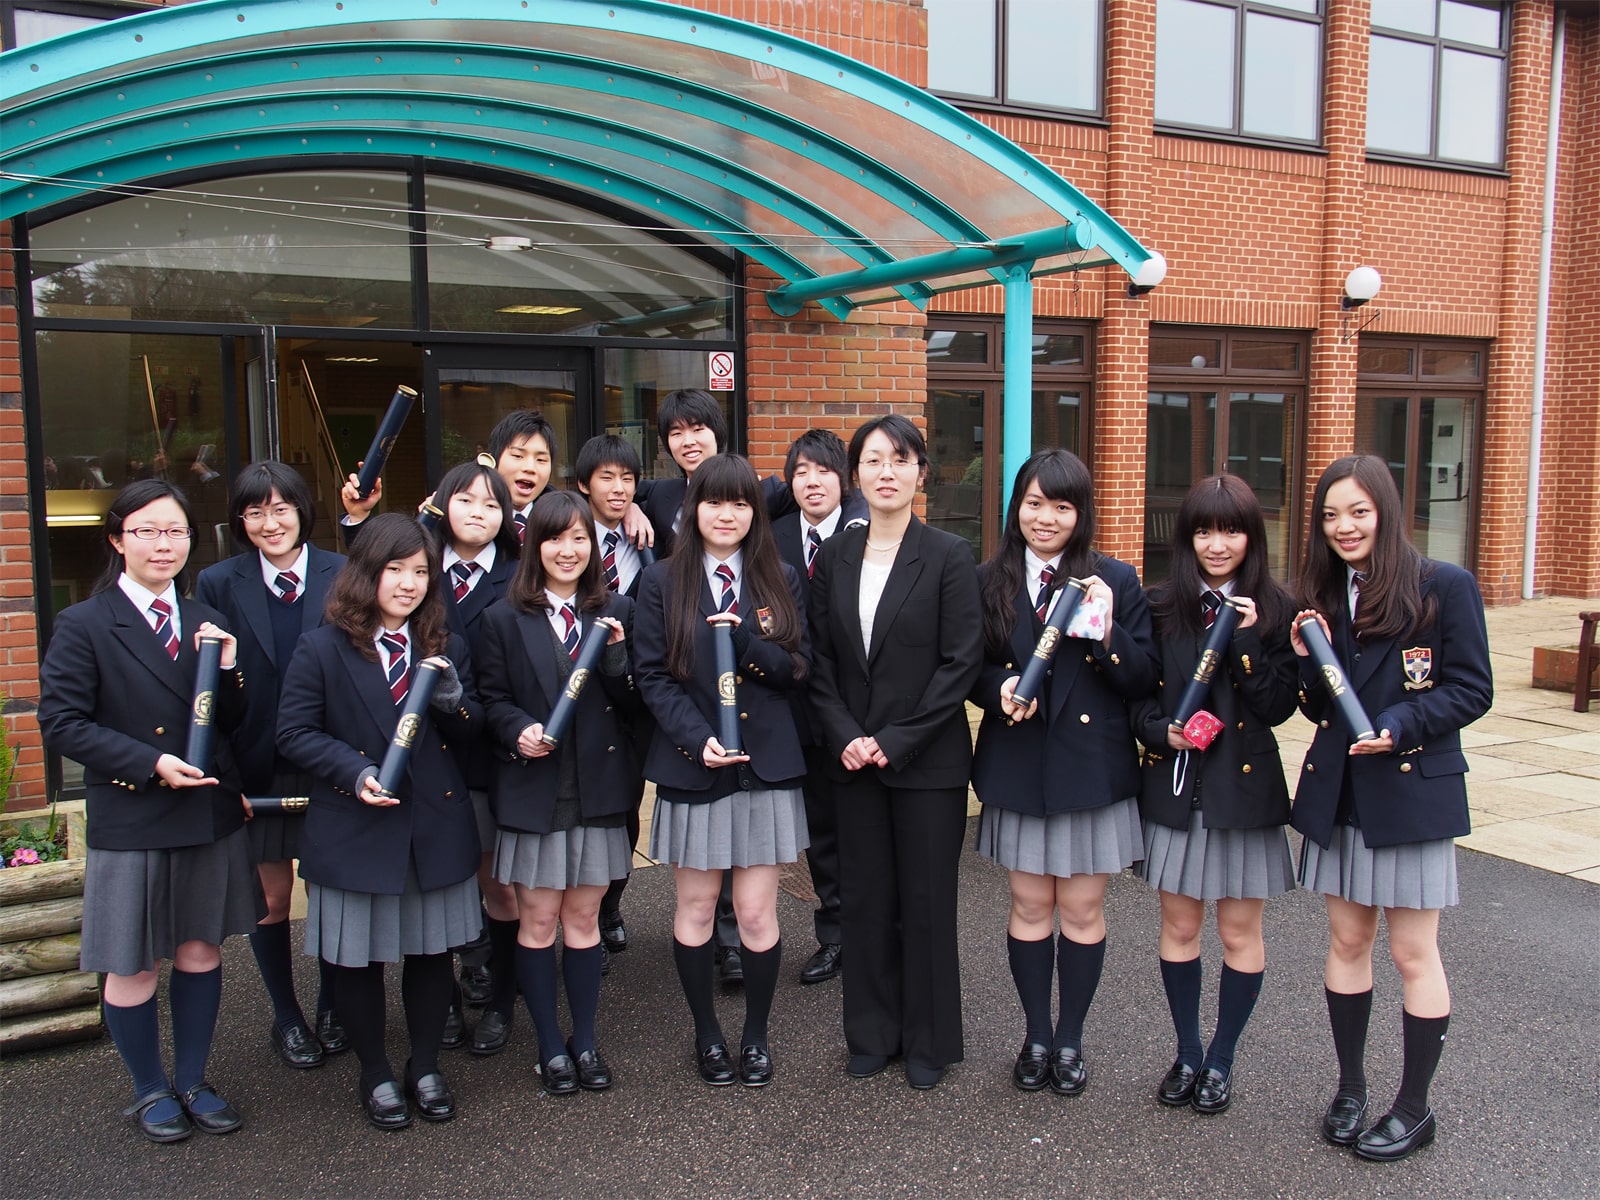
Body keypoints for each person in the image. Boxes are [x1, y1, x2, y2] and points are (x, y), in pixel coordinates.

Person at [38, 479, 262, 1143]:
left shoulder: (204, 619)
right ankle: (149, 1089)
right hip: (133, 812)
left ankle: (192, 1079)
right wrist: (148, 761)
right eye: (147, 531)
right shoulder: (84, 622)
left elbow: (233, 722)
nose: (163, 544)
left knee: (199, 949)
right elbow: (61, 722)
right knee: (133, 963)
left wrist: (230, 669)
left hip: (204, 811)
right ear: (118, 540)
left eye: (176, 531)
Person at [1291, 454, 1492, 1162]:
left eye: (1358, 512)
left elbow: (1471, 689)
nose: (1344, 527)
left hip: (1409, 793)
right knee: (1347, 943)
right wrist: (1306, 658)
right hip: (1342, 790)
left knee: (1412, 953)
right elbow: (1318, 705)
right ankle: (1350, 1089)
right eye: (1330, 515)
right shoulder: (1320, 595)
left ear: (1386, 510)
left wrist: (1401, 724)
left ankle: (1413, 1108)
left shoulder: (1444, 586)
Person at [276, 514, 483, 1131]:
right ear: (365, 572)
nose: (409, 584)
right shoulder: (321, 648)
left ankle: (425, 1066)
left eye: (420, 572)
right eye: (395, 569)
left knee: (431, 954)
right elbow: (293, 733)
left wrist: (454, 703)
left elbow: (472, 731)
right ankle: (374, 1072)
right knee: (356, 961)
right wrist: (355, 769)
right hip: (355, 824)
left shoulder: (443, 645)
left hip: (433, 825)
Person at [968, 448, 1157, 1098]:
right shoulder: (987, 579)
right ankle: (1035, 1035)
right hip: (1020, 763)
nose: (1045, 518)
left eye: (1061, 506)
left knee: (1080, 910)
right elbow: (967, 666)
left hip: (1089, 771)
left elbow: (1143, 677)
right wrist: (997, 688)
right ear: (1016, 508)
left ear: (1082, 514)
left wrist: (1104, 631)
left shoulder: (1116, 579)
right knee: (1028, 905)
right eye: (1034, 503)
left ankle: (1070, 1037)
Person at [807, 414, 984, 1090]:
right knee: (866, 900)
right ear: (856, 474)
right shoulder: (835, 557)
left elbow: (960, 663)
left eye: (901, 459)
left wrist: (895, 740)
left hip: (926, 764)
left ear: (920, 473)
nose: (887, 472)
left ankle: (928, 1041)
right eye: (874, 460)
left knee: (927, 903)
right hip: (852, 760)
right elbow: (819, 659)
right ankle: (872, 1033)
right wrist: (845, 735)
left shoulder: (948, 555)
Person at [633, 454, 811, 1088]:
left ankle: (756, 1037)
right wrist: (697, 740)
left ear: (754, 513)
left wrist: (746, 645)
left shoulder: (780, 577)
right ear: (692, 509)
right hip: (696, 766)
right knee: (698, 905)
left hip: (766, 766)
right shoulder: (660, 582)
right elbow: (651, 676)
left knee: (757, 913)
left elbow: (798, 669)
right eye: (714, 502)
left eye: (740, 503)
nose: (727, 514)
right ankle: (707, 1034)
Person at [1131, 474, 1298, 1114]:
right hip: (1177, 788)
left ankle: (1222, 1060)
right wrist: (1160, 730)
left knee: (1238, 931)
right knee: (1179, 926)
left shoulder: (1277, 608)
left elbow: (1279, 707)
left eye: (1231, 531)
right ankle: (1187, 1053)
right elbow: (1137, 699)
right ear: (1187, 538)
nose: (1217, 544)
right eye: (1204, 531)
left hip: (1243, 791)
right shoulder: (1159, 605)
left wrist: (1247, 639)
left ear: (1252, 536)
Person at [476, 491, 641, 1095]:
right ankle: (549, 1045)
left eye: (579, 538)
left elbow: (636, 702)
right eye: (554, 538)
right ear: (532, 545)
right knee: (538, 920)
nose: (567, 550)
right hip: (535, 790)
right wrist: (517, 730)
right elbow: (490, 700)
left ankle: (586, 1040)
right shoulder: (501, 618)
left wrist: (617, 658)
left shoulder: (618, 609)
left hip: (598, 790)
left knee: (583, 918)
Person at [195, 463, 347, 1070]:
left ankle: (334, 1004)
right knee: (272, 897)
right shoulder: (217, 582)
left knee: (335, 890)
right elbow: (208, 687)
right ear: (240, 521)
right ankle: (287, 1015)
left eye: (281, 509)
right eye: (255, 512)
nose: (270, 522)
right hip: (255, 761)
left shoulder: (343, 572)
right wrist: (225, 775)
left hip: (328, 757)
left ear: (303, 511)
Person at [428, 460, 524, 1056]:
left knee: (498, 883)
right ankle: (440, 998)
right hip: (426, 754)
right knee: (436, 885)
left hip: (493, 751)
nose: (478, 513)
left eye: (492, 505)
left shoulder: (519, 574)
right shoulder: (415, 569)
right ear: (443, 506)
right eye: (465, 500)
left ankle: (501, 997)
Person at [771, 429, 866, 986]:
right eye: (801, 472)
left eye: (823, 470)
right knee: (822, 831)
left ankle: (876, 931)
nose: (812, 482)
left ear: (844, 479)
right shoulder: (773, 537)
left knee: (865, 828)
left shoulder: (866, 533)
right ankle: (834, 935)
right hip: (797, 711)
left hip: (857, 711)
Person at [573, 433, 650, 958]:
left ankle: (610, 906)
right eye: (607, 478)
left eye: (628, 479)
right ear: (584, 484)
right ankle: (582, 916)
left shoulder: (648, 533)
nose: (619, 488)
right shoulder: (565, 534)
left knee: (625, 805)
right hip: (577, 688)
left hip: (634, 687)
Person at [341, 409, 559, 544]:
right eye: (518, 456)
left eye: (541, 460)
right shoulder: (450, 512)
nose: (530, 468)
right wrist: (359, 515)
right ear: (492, 459)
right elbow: (387, 563)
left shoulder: (564, 519)